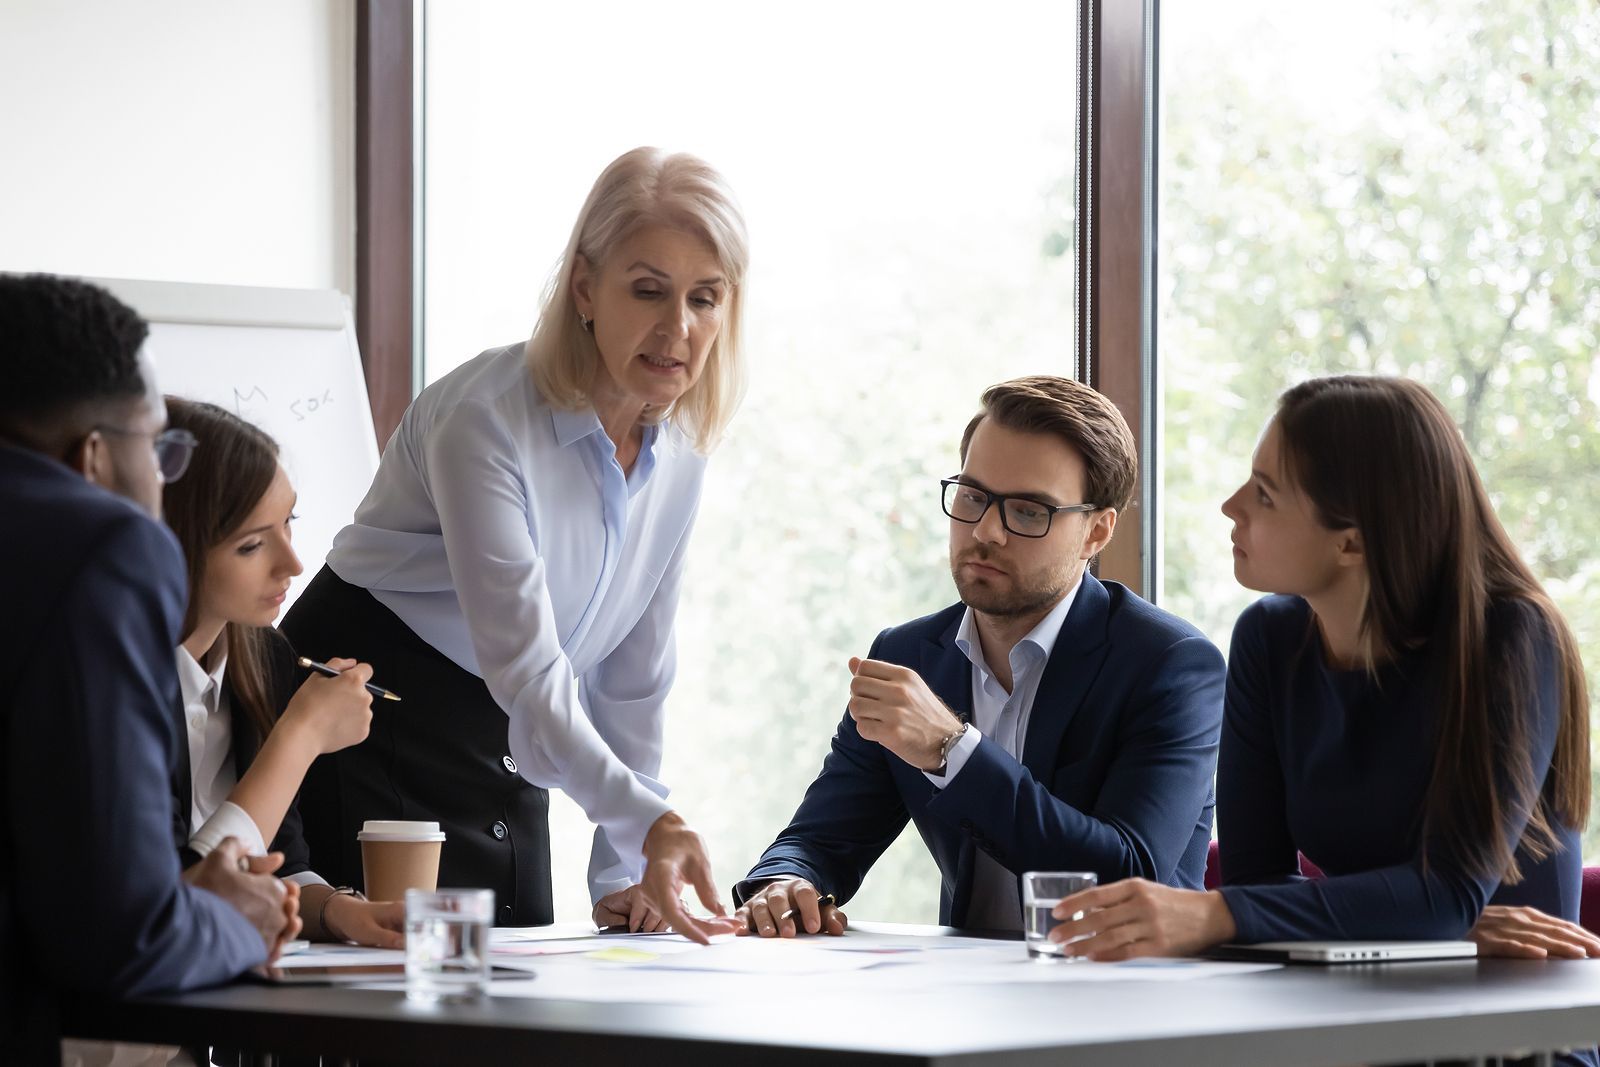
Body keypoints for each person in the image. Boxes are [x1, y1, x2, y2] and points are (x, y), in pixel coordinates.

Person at [282, 147, 749, 941]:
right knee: (405, 1007)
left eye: (705, 299)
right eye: (648, 290)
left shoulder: (681, 455)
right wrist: (650, 820)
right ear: (584, 290)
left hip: (510, 731)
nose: (679, 328)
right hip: (371, 715)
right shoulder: (486, 417)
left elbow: (633, 680)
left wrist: (624, 869)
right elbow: (527, 664)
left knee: (516, 995)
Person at [1045, 376, 1593, 973]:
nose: (1232, 505)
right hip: (1352, 1003)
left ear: (1352, 544)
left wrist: (1213, 915)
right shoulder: (1269, 638)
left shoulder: (1512, 639)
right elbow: (1259, 880)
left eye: (1266, 493)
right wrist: (1425, 925)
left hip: (1518, 1029)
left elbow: (1446, 894)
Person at [733, 376, 1226, 937]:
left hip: (1122, 997)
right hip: (967, 999)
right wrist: (784, 884)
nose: (986, 531)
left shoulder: (1171, 664)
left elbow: (1129, 875)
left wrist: (951, 749)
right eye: (972, 497)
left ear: (1096, 532)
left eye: (1029, 510)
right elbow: (823, 838)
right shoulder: (909, 655)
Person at [0, 274, 296, 1061]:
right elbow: (120, 934)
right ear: (92, 456)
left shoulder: (255, 671)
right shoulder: (100, 546)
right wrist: (237, 916)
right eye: (160, 450)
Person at [162, 398, 407, 948]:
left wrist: (341, 912)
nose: (294, 563)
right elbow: (180, 891)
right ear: (170, 549)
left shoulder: (265, 657)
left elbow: (281, 862)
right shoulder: (117, 681)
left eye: (288, 522)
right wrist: (302, 735)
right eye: (251, 544)